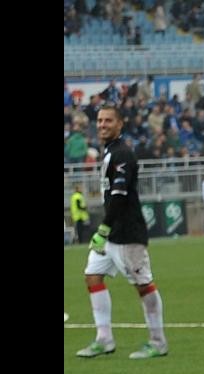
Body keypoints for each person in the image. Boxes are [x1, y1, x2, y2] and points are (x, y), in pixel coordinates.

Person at [75, 104, 169, 360]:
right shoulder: (109, 152)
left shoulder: (124, 154)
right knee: (93, 276)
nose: (102, 124)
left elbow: (119, 194)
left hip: (127, 233)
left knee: (143, 285)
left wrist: (103, 228)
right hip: (111, 233)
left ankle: (158, 342)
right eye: (100, 120)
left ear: (120, 125)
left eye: (108, 121)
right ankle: (104, 339)